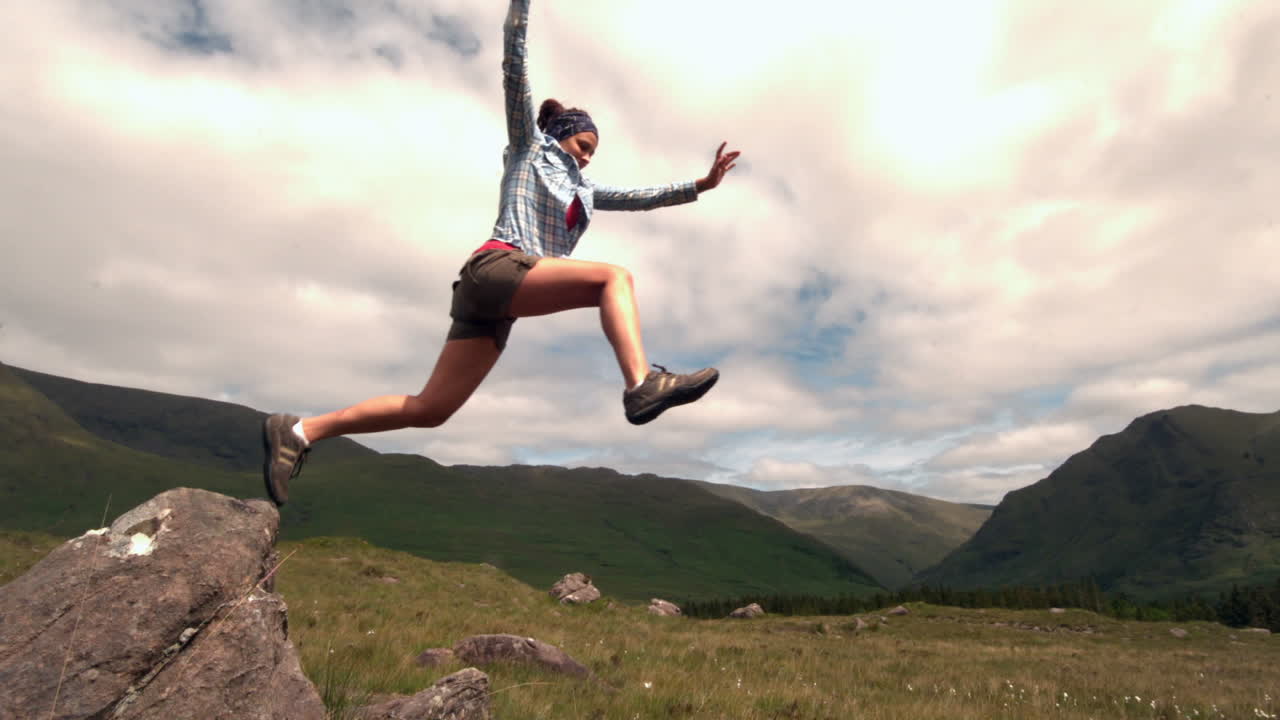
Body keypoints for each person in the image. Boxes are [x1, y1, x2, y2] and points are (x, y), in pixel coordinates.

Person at [262, 0, 741, 506]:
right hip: (497, 266)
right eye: (582, 144)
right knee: (613, 278)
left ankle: (298, 431)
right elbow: (514, 63)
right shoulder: (529, 150)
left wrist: (702, 185)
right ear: (559, 136)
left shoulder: (584, 190)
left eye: (593, 151)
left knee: (432, 409)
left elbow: (641, 197)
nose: (587, 155)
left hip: (493, 305)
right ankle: (642, 383)